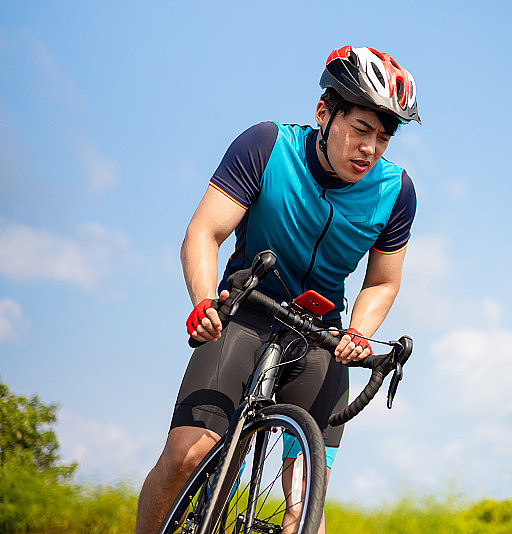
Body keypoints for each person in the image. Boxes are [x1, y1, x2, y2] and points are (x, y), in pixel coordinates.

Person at [135, 45, 420, 534]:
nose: (370, 149)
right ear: (324, 113)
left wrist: (358, 332)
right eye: (360, 130)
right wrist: (204, 301)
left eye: (383, 137)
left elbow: (382, 282)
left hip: (322, 336)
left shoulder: (396, 192)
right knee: (189, 453)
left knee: (306, 508)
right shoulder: (267, 146)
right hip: (245, 312)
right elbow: (204, 232)